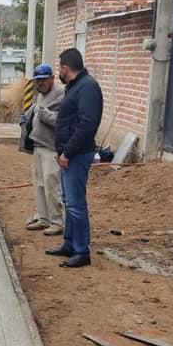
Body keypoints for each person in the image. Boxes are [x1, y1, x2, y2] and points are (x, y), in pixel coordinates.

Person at [45, 48, 103, 268]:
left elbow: (87, 124)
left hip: (76, 155)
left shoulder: (87, 87)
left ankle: (82, 250)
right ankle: (69, 243)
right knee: (69, 202)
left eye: (59, 67)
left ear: (65, 68)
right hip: (68, 154)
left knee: (76, 204)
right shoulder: (75, 86)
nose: (58, 70)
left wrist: (68, 152)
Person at [20, 64, 66, 236]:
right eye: (38, 81)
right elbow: (36, 111)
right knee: (39, 184)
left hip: (51, 147)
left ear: (52, 78)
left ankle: (57, 221)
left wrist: (43, 114)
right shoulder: (40, 94)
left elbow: (62, 120)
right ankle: (44, 218)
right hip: (38, 145)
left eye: (44, 80)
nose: (40, 84)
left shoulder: (62, 94)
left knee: (51, 184)